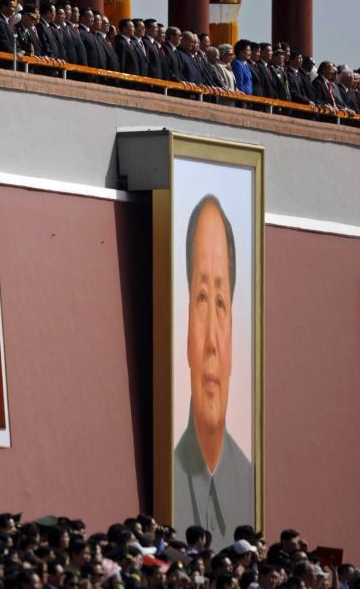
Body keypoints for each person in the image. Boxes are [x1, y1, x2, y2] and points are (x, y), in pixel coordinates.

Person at [174, 195, 253, 551]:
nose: (210, 343)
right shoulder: (170, 476)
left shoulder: (249, 480)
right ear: (187, 331)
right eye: (202, 298)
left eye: (220, 304)